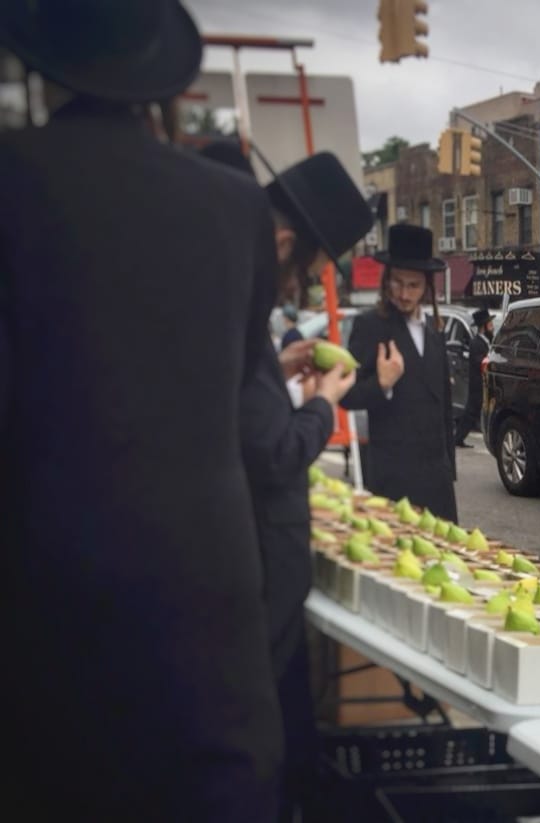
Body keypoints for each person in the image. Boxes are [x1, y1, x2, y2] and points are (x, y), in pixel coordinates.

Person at [0, 2, 284, 820]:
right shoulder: (235, 206)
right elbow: (236, 383)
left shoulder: (15, 180)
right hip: (210, 611)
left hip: (51, 608)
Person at [204, 145, 371, 823]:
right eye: (305, 273)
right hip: (258, 575)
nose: (300, 290)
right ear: (281, 244)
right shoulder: (235, 308)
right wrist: (324, 402)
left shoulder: (231, 306)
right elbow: (273, 451)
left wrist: (280, 366)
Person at [342, 224, 458, 521]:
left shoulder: (434, 330)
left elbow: (444, 406)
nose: (404, 294)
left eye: (413, 285)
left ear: (427, 286)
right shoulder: (370, 326)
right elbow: (347, 395)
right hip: (393, 479)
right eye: (397, 283)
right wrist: (382, 384)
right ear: (386, 281)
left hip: (437, 482)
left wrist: (449, 469)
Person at [455, 306, 494, 447]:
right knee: (471, 412)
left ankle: (458, 438)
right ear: (483, 327)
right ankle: (457, 438)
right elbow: (480, 362)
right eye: (490, 324)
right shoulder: (476, 342)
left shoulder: (486, 341)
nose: (492, 327)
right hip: (477, 384)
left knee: (472, 412)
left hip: (483, 383)